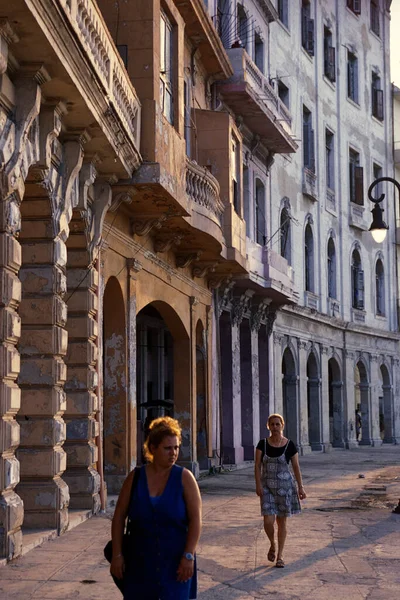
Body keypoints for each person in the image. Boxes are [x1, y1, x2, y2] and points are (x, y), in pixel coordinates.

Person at [110, 416, 202, 599]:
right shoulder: (135, 478)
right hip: (140, 563)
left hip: (176, 564)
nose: (173, 453)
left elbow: (196, 520)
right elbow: (119, 516)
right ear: (152, 448)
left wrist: (189, 555)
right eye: (167, 448)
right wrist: (117, 554)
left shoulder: (185, 478)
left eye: (176, 447)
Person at [254, 414, 306, 568]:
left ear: (282, 425)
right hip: (267, 488)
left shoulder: (290, 445)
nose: (275, 427)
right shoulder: (262, 444)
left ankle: (280, 556)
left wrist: (301, 487)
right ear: (268, 426)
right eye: (272, 424)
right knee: (268, 520)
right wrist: (258, 484)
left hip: (285, 489)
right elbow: (257, 465)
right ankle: (272, 543)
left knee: (282, 522)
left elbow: (296, 467)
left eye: (277, 424)